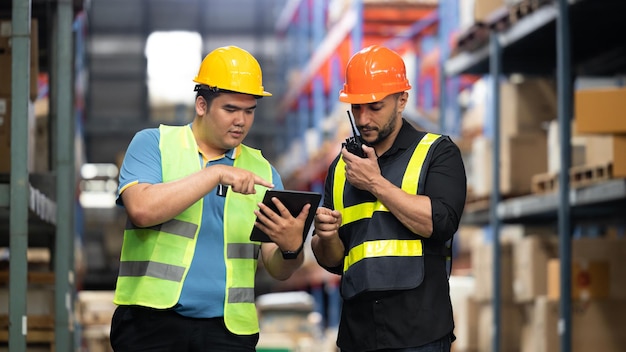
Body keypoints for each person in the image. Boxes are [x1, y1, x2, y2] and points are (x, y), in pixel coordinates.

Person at [110, 45, 310, 352]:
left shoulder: (264, 172)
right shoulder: (154, 144)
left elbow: (277, 268)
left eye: (249, 110)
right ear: (201, 105)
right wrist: (214, 174)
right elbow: (141, 209)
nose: (241, 121)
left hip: (228, 332)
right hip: (151, 324)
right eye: (230, 109)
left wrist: (291, 247)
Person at [311, 45, 467, 352]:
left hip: (418, 334)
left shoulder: (437, 152)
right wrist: (325, 237)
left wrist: (375, 183)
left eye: (375, 106)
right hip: (358, 335)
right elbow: (334, 261)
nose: (363, 118)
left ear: (402, 100)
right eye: (356, 107)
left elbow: (440, 222)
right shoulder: (341, 168)